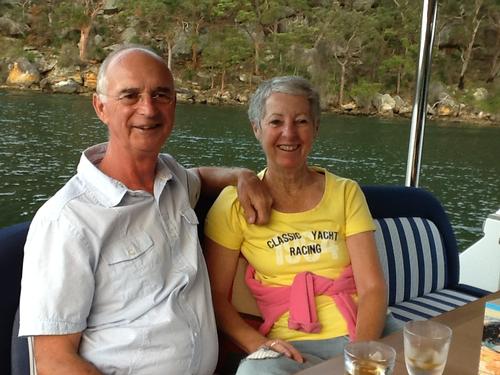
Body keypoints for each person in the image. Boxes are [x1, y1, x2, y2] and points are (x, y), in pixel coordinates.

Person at [18, 45, 272, 375]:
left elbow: (201, 177)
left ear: (174, 105)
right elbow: (54, 362)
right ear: (101, 107)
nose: (148, 109)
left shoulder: (171, 179)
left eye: (161, 95)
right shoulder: (67, 221)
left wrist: (242, 176)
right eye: (130, 96)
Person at [204, 76, 402, 374]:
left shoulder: (346, 192)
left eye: (301, 121)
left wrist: (358, 358)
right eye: (275, 122)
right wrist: (255, 343)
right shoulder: (233, 205)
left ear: (316, 128)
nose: (289, 133)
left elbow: (373, 287)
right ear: (256, 129)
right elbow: (215, 295)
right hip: (291, 348)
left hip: (364, 329)